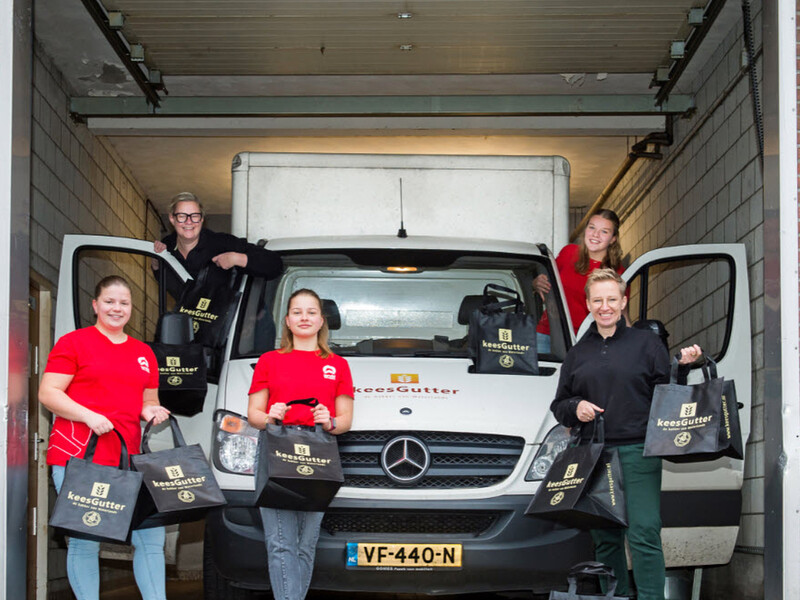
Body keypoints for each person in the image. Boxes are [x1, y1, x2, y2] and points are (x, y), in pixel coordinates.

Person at [550, 268, 702, 600]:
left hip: (639, 450)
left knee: (645, 531)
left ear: (623, 301)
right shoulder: (577, 354)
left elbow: (668, 394)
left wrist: (684, 366)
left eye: (612, 299)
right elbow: (559, 404)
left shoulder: (647, 344)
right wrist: (575, 407)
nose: (605, 306)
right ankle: (614, 597)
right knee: (606, 537)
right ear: (589, 304)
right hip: (595, 454)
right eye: (598, 300)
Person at [39, 276, 171, 600]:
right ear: (96, 305)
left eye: (124, 303)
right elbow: (48, 392)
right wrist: (88, 415)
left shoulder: (144, 354)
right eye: (110, 301)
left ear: (130, 308)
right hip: (80, 458)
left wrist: (152, 411)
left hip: (129, 459)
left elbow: (147, 401)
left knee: (151, 538)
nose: (117, 308)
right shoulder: (74, 343)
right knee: (86, 541)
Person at [247, 289, 354, 600]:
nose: (304, 317)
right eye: (297, 312)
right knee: (280, 541)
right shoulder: (269, 361)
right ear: (287, 321)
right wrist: (269, 415)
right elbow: (253, 414)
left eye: (310, 312)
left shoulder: (338, 364)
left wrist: (329, 420)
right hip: (277, 446)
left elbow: (345, 419)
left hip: (319, 450)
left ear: (321, 320)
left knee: (305, 544)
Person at [153, 191, 283, 295]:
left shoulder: (222, 243)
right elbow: (173, 287)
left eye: (195, 216)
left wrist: (237, 258)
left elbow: (275, 264)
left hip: (236, 324)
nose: (189, 222)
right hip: (191, 322)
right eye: (182, 216)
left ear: (202, 219)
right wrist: (156, 265)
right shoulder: (166, 247)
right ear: (172, 218)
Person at [534, 209, 625, 352]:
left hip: (590, 341)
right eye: (592, 227)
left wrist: (633, 345)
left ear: (613, 239)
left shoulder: (617, 272)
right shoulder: (569, 253)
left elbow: (621, 314)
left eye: (604, 231)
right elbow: (545, 282)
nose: (595, 235)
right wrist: (537, 283)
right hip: (549, 334)